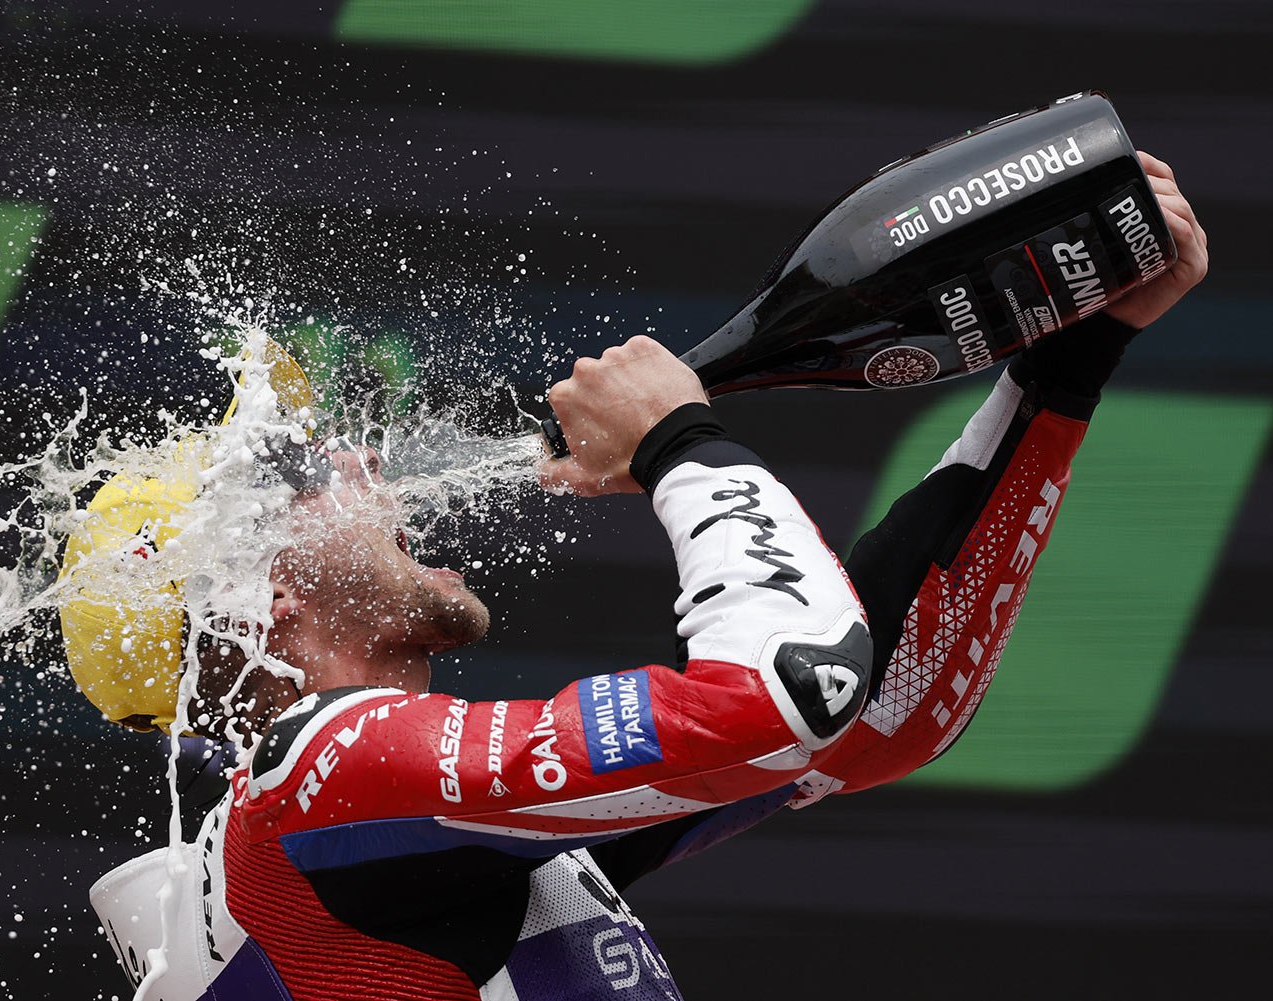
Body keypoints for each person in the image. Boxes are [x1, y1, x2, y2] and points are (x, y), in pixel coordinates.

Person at [60, 152, 1206, 1001]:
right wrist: (680, 447)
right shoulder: (330, 780)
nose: (361, 460)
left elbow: (882, 709)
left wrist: (1066, 366)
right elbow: (793, 688)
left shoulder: (392, 826)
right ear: (270, 602)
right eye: (308, 474)